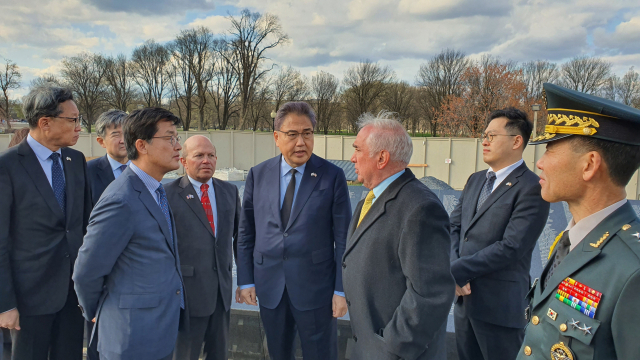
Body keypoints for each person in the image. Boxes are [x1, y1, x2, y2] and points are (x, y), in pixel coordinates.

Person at [517, 83, 640, 359]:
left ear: (589, 165)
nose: (540, 163)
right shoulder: (571, 240)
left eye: (549, 149)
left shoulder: (633, 270)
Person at [237, 101, 351, 360]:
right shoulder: (258, 174)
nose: (301, 142)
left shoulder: (332, 176)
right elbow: (246, 232)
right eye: (292, 134)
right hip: (270, 286)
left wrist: (340, 290)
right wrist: (245, 280)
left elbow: (344, 238)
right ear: (277, 138)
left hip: (316, 289)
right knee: (277, 353)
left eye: (307, 133)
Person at [73, 108, 186, 360]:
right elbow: (86, 271)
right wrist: (99, 312)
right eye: (169, 138)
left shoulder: (155, 190)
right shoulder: (121, 199)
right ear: (141, 145)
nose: (178, 146)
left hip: (158, 331)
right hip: (130, 337)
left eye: (177, 137)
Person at [342, 112, 455, 360]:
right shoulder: (368, 201)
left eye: (357, 150)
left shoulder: (420, 208)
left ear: (381, 157)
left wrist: (391, 348)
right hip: (367, 348)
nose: (352, 158)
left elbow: (429, 294)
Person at [449, 108, 550, 360]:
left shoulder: (531, 188)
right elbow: (453, 227)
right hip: (464, 302)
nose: (484, 141)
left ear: (517, 141)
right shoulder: (475, 180)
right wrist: (452, 266)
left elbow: (512, 246)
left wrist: (458, 270)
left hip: (499, 309)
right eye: (484, 135)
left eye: (492, 136)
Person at [0, 84, 91, 360]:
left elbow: (86, 228)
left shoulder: (76, 161)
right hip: (28, 300)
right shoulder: (8, 166)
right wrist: (5, 304)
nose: (79, 127)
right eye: (73, 120)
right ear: (45, 123)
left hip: (73, 296)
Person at [165, 136, 240, 360]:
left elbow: (241, 238)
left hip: (221, 294)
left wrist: (246, 281)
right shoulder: (167, 195)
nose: (206, 160)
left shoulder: (229, 192)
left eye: (211, 155)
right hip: (186, 296)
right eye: (199, 155)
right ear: (184, 161)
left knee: (219, 355)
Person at [87, 109, 130, 206]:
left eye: (126, 134)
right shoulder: (88, 171)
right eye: (116, 135)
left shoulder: (144, 168)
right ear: (101, 141)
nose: (123, 140)